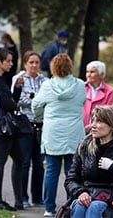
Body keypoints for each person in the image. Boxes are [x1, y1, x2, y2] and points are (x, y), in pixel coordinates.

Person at [32, 53, 86, 217]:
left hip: (53, 132)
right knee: (73, 172)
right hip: (74, 133)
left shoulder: (48, 85)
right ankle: (71, 206)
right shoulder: (79, 85)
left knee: (52, 171)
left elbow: (36, 105)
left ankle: (49, 208)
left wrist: (42, 115)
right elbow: (83, 101)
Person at [64, 105, 113, 218]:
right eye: (93, 120)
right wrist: (80, 192)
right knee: (79, 205)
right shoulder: (84, 146)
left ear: (111, 125)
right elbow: (71, 179)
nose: (93, 125)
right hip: (87, 193)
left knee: (95, 207)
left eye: (99, 121)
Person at [0, 48, 24, 211]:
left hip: (8, 126)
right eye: (8, 61)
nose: (11, 63)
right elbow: (7, 104)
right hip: (2, 127)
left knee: (19, 159)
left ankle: (18, 200)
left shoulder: (2, 78)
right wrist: (14, 101)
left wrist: (17, 89)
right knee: (0, 162)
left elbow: (11, 102)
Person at [12, 51, 47, 208]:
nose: (34, 65)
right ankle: (22, 197)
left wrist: (31, 97)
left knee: (39, 163)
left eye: (36, 62)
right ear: (25, 63)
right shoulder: (18, 79)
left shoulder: (45, 81)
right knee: (24, 162)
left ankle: (38, 197)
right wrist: (36, 99)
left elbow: (47, 100)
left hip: (41, 125)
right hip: (24, 125)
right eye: (31, 62)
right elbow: (18, 100)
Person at [83, 61, 113, 134]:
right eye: (87, 72)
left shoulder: (109, 91)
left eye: (92, 72)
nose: (88, 75)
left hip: (99, 131)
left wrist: (92, 126)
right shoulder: (81, 88)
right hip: (80, 129)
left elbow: (107, 113)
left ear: (102, 75)